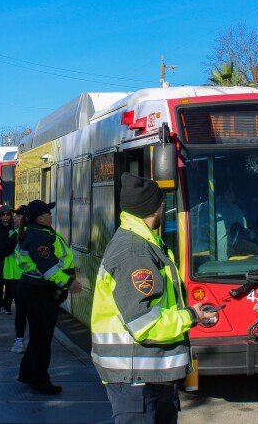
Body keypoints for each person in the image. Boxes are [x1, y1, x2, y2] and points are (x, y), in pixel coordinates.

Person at [91, 173, 216, 424]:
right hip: (137, 377)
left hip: (148, 373)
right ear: (155, 208)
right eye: (162, 204)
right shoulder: (135, 251)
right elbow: (143, 322)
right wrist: (191, 316)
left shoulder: (144, 243)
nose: (164, 209)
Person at [16, 200, 82, 395]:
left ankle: (27, 372)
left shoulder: (40, 233)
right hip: (40, 293)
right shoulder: (38, 237)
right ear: (39, 218)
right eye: (47, 212)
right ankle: (39, 379)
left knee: (37, 336)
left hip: (34, 291)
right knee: (43, 338)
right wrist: (70, 283)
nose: (51, 215)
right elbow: (49, 268)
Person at [6, 205, 28, 353]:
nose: (16, 217)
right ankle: (22, 340)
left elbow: (3, 251)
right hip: (18, 276)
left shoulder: (23, 234)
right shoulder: (14, 233)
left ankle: (20, 341)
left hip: (24, 278)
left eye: (19, 215)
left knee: (22, 311)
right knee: (23, 311)